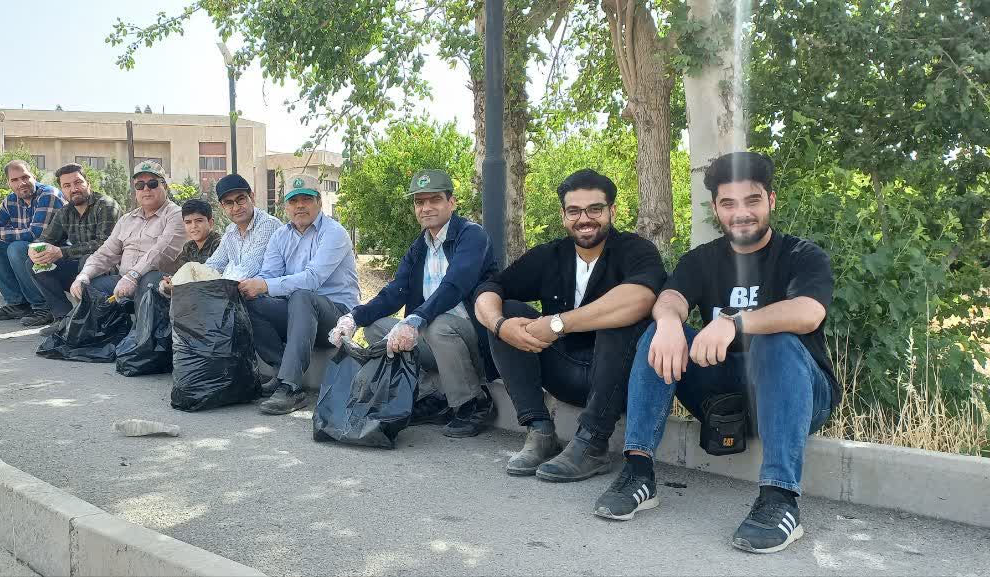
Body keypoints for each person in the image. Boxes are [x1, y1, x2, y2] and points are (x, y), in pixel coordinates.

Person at [592, 152, 838, 555]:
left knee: (774, 340)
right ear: (716, 208)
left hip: (799, 395)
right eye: (728, 203)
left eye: (752, 200)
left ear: (771, 200)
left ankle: (780, 499)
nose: (741, 213)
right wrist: (669, 322)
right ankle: (638, 472)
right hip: (723, 395)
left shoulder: (801, 255)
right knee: (657, 333)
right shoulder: (702, 259)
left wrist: (734, 322)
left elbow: (808, 312)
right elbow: (671, 297)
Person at [474, 169, 666, 481]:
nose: (584, 219)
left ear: (612, 211)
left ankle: (592, 444)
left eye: (595, 209)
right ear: (564, 216)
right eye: (574, 211)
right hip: (565, 372)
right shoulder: (550, 255)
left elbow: (642, 298)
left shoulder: (636, 250)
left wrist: (558, 324)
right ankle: (540, 431)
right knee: (507, 311)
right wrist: (499, 325)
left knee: (623, 319)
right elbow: (489, 289)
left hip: (619, 382)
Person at [327, 170, 500, 438]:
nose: (426, 207)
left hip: (475, 341)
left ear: (451, 202)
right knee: (376, 328)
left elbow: (455, 285)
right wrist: (354, 318)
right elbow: (395, 292)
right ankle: (431, 396)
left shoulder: (471, 236)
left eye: (435, 200)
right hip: (436, 342)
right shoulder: (420, 246)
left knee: (438, 325)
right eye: (420, 202)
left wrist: (415, 320)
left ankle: (473, 403)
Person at [242, 173, 359, 415]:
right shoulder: (280, 236)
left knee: (302, 295)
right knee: (252, 300)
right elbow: (268, 275)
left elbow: (312, 279)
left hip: (336, 318)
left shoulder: (334, 233)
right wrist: (253, 287)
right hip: (299, 313)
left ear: (319, 202)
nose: (300, 206)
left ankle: (291, 388)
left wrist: (264, 285)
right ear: (286, 206)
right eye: (294, 201)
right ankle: (281, 370)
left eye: (306, 199)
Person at [0, 159, 66, 326]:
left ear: (34, 176)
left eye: (25, 177)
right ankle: (17, 304)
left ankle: (43, 307)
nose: (21, 183)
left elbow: (35, 234)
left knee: (17, 248)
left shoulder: (49, 195)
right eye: (15, 180)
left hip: (58, 255)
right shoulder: (11, 200)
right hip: (33, 256)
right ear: (9, 183)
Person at [69, 160, 185, 302]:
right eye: (140, 185)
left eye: (152, 183)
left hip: (157, 283)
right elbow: (106, 252)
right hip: (123, 281)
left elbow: (162, 251)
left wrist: (133, 276)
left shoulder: (176, 215)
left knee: (149, 281)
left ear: (165, 186)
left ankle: (140, 318)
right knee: (88, 289)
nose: (146, 189)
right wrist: (84, 275)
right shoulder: (127, 219)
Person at [29, 163, 122, 334]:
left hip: (109, 269)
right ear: (62, 190)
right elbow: (45, 239)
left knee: (87, 260)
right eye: (67, 185)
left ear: (88, 183)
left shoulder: (106, 205)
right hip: (79, 270)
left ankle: (84, 320)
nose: (74, 189)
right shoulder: (65, 212)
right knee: (34, 263)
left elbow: (104, 245)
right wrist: (34, 249)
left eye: (78, 182)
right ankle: (63, 318)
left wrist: (61, 252)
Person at [160, 174, 282, 297]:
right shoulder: (230, 232)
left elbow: (250, 267)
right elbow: (214, 265)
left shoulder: (267, 224)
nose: (236, 208)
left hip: (268, 297)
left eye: (241, 199)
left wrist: (193, 284)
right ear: (222, 207)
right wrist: (177, 281)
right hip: (240, 295)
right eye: (229, 203)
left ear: (252, 197)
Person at [172, 199, 221, 271]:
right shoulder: (188, 247)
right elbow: (178, 272)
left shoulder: (220, 245)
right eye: (188, 222)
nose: (193, 226)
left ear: (210, 223)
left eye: (199, 221)